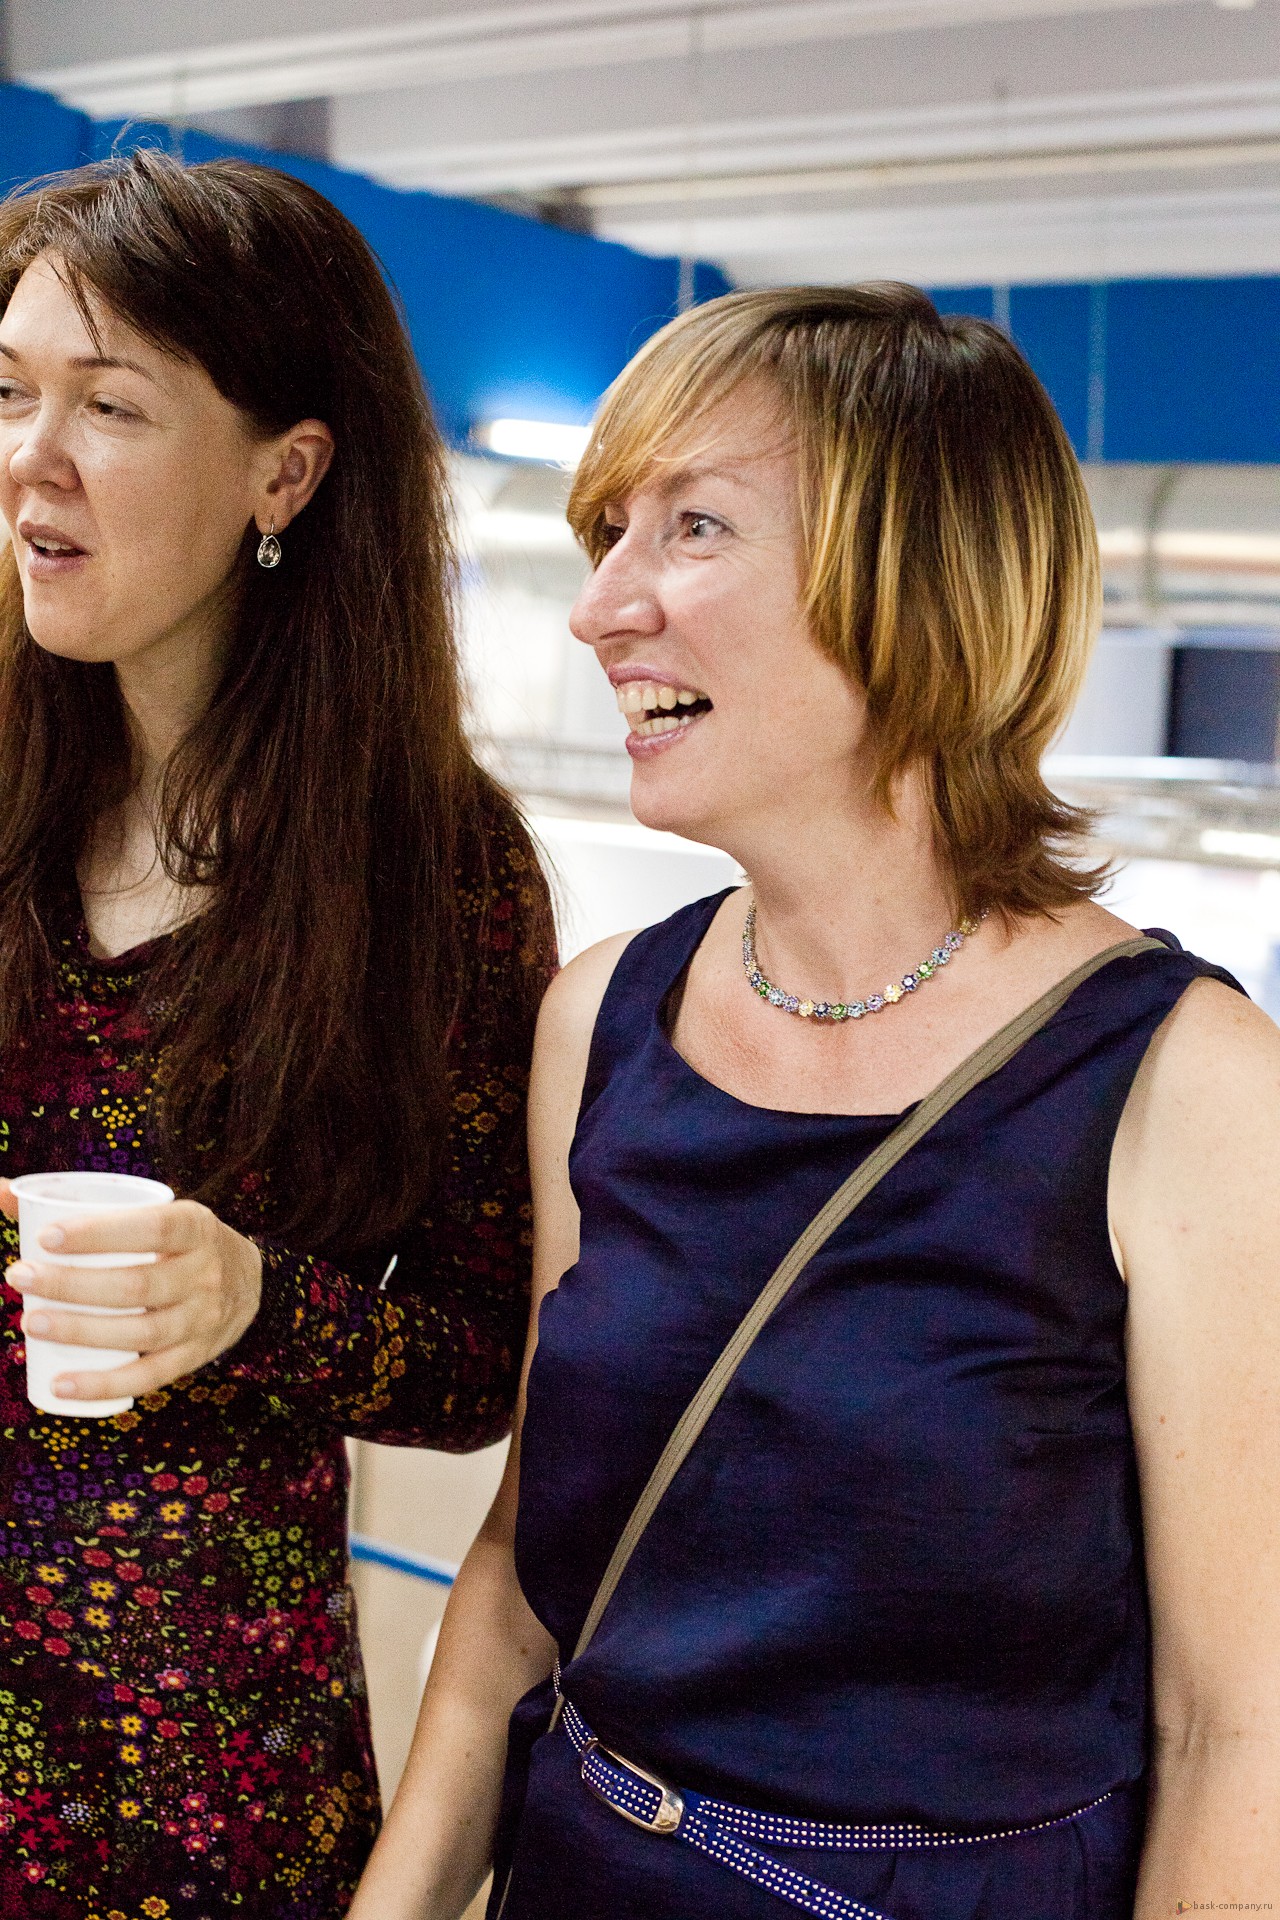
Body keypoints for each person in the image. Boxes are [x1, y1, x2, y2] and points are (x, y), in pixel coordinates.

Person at [352, 282, 1280, 1920]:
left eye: (693, 526)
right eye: (608, 534)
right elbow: (522, 1572)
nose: (602, 608)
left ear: (914, 586)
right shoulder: (603, 1020)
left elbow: (1234, 1738)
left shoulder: (1184, 1084)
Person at [0, 149, 554, 1918]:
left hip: (195, 1794)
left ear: (285, 473)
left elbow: (482, 1362)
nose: (33, 458)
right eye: (10, 391)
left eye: (110, 406)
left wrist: (256, 1303)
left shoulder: (432, 870)